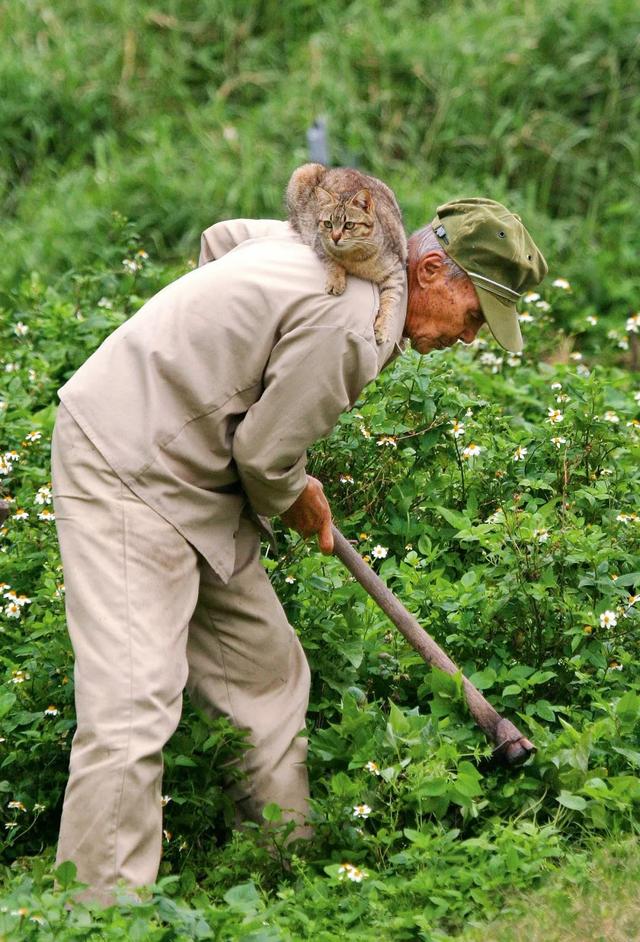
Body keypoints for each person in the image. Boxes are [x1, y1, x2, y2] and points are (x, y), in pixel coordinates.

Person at [51, 197, 547, 904]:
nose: (470, 338)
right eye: (475, 316)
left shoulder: (324, 249)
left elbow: (222, 239)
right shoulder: (357, 322)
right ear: (433, 269)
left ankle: (286, 879)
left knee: (266, 676)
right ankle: (96, 912)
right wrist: (290, 487)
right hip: (127, 461)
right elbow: (263, 454)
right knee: (134, 700)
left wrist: (224, 367)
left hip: (201, 477)